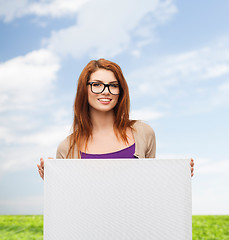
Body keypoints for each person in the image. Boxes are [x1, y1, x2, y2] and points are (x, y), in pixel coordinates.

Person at [37, 58, 194, 180]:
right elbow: (70, 201)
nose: (106, 91)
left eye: (113, 85)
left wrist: (177, 176)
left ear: (121, 91)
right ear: (84, 90)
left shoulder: (143, 133)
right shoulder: (67, 148)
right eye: (97, 84)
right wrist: (54, 182)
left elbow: (149, 189)